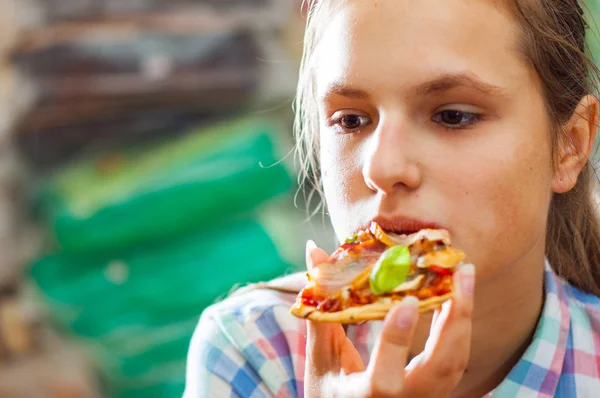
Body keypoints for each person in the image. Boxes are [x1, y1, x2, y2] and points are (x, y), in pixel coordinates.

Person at [183, 0, 600, 396]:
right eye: (351, 120)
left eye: (453, 116)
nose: (381, 169)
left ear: (570, 144)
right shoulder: (255, 352)